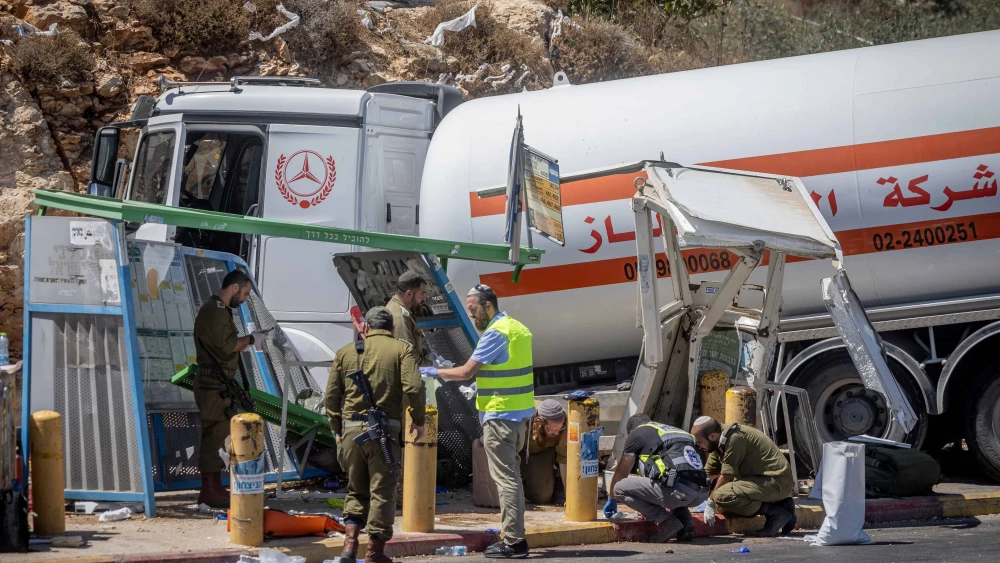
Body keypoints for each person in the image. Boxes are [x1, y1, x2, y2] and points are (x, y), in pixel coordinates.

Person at [420, 284, 533, 559]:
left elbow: (467, 371)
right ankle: (515, 537)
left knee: (506, 482)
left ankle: (515, 542)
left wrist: (435, 371)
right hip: (518, 418)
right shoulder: (517, 328)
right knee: (512, 480)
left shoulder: (495, 332)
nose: (471, 317)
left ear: (488, 305)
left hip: (499, 418)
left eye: (473, 310)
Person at [324, 307, 426, 563]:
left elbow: (331, 397)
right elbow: (414, 387)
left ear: (366, 328)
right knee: (382, 492)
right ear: (392, 329)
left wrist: (336, 430)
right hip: (384, 434)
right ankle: (374, 553)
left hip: (350, 434)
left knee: (356, 490)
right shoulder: (402, 350)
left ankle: (348, 547)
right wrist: (419, 420)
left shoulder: (345, 352)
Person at [192, 269, 266, 509]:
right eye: (244, 293)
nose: (244, 299)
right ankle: (210, 490)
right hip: (212, 384)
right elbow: (229, 347)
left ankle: (215, 487)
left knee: (219, 432)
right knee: (214, 434)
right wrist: (252, 339)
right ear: (234, 287)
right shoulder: (214, 311)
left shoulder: (219, 311)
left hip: (218, 383)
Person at [604, 414, 710, 542]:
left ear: (631, 431)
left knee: (619, 488)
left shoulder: (637, 433)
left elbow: (621, 473)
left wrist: (611, 498)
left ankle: (666, 522)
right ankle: (685, 522)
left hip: (678, 491)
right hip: (702, 493)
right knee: (670, 478)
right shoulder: (675, 431)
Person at [691, 416, 797, 537]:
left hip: (777, 482)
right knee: (723, 506)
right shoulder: (719, 442)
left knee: (721, 496)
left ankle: (776, 513)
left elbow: (727, 475)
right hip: (764, 482)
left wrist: (710, 502)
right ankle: (782, 505)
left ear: (712, 436)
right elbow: (708, 472)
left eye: (699, 442)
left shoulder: (735, 438)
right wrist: (693, 494)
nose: (698, 447)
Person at [522, 399, 568, 505]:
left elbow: (564, 458)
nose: (556, 434)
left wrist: (567, 494)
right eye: (550, 430)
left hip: (546, 451)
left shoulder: (565, 420)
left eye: (559, 430)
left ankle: (557, 484)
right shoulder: (525, 419)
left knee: (542, 498)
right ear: (539, 422)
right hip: (522, 452)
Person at [385, 271, 429, 366]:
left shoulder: (397, 308)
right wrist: (430, 366)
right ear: (409, 294)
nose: (424, 298)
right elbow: (407, 354)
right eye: (422, 293)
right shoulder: (400, 316)